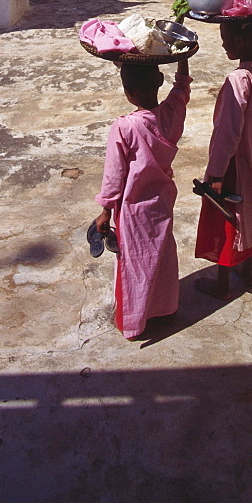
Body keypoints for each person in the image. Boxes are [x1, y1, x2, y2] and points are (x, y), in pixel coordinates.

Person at [93, 58, 191, 339]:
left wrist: (105, 212)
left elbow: (114, 177)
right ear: (160, 81)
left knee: (135, 262)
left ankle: (135, 321)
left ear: (127, 91)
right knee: (162, 255)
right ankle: (165, 306)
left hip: (133, 211)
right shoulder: (171, 116)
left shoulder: (123, 128)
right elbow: (182, 89)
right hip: (162, 202)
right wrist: (182, 57)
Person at [195, 19, 252, 299]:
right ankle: (249, 271)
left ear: (241, 41)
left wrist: (217, 173)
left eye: (226, 38)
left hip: (235, 161)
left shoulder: (238, 80)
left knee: (228, 217)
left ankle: (222, 284)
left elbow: (227, 132)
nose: (222, 44)